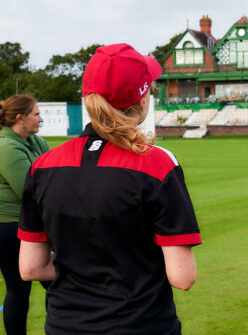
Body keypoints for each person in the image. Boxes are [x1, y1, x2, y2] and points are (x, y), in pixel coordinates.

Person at [17, 43, 201, 335]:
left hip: (65, 326)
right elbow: (182, 276)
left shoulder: (42, 166)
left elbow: (31, 268)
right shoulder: (156, 164)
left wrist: (83, 273)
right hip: (141, 325)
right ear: (142, 102)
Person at [0, 95, 49, 335]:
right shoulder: (6, 146)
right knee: (19, 288)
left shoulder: (34, 141)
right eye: (36, 114)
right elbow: (29, 191)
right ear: (20, 118)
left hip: (30, 224)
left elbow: (53, 174)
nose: (41, 118)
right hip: (8, 228)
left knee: (56, 282)